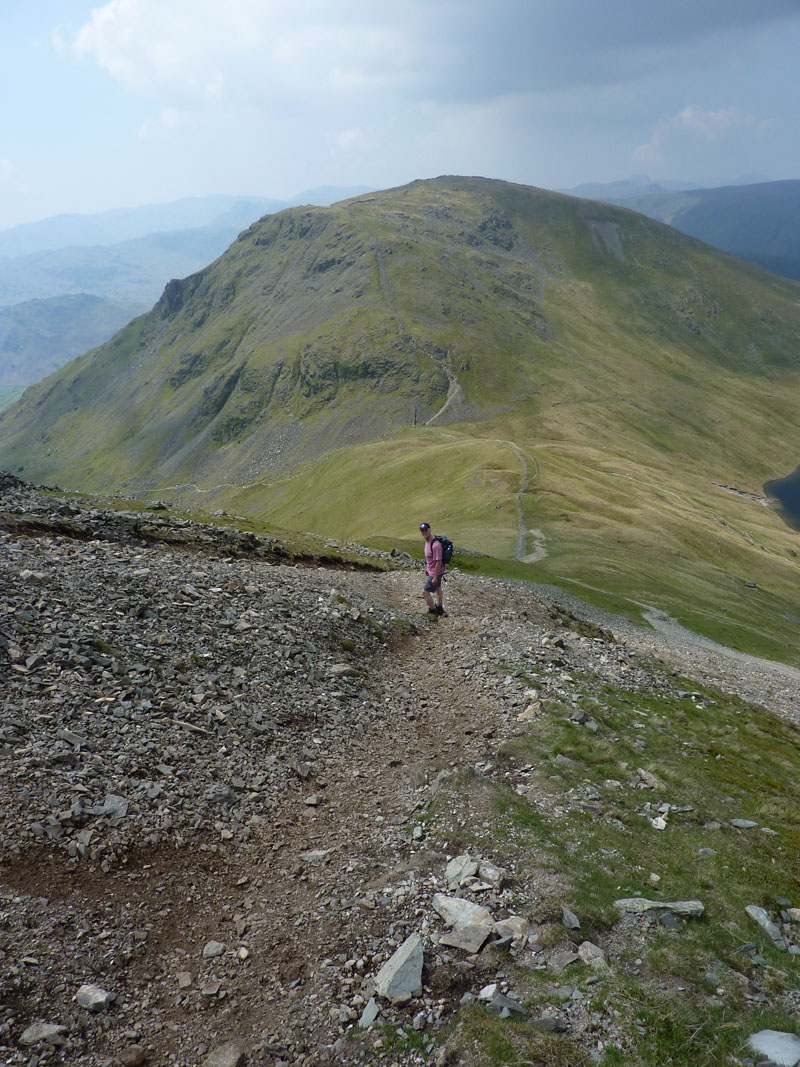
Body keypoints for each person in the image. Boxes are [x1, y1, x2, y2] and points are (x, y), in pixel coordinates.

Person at [419, 522, 446, 616]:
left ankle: (433, 611)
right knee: (438, 588)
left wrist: (434, 577)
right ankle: (439, 608)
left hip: (436, 571)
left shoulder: (436, 545)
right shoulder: (428, 542)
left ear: (430, 530)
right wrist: (427, 568)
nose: (424, 532)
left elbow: (438, 562)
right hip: (433, 570)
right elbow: (430, 558)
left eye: (426, 530)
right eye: (422, 530)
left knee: (425, 592)